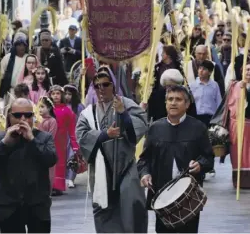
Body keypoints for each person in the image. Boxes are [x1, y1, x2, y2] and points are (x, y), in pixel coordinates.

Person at [76, 71, 148, 233]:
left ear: (113, 86)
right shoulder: (88, 113)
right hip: (101, 169)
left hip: (125, 166)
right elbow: (81, 136)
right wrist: (104, 135)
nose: (101, 89)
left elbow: (141, 124)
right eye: (97, 86)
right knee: (104, 209)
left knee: (132, 204)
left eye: (105, 84)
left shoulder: (127, 103)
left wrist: (123, 114)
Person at [137, 85, 214, 233]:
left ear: (187, 104)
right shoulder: (155, 128)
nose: (173, 103)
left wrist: (200, 165)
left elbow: (208, 158)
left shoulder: (198, 128)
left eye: (178, 99)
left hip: (189, 197)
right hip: (162, 196)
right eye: (170, 99)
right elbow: (144, 159)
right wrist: (145, 174)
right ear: (165, 103)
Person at [0, 98, 57, 233]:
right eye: (18, 115)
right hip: (9, 207)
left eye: (28, 115)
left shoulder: (43, 137)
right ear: (10, 117)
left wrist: (32, 140)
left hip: (37, 206)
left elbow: (51, 159)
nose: (23, 119)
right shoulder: (0, 138)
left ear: (33, 117)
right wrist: (5, 142)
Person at [49, 85, 79, 195]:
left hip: (61, 142)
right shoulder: (47, 109)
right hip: (49, 140)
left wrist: (75, 144)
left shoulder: (67, 110)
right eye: (53, 94)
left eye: (58, 94)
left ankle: (58, 186)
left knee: (60, 163)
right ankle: (50, 185)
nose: (56, 96)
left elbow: (72, 129)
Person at [224, 63, 250, 188]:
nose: (249, 72)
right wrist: (242, 91)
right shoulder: (236, 86)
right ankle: (241, 181)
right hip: (239, 125)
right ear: (241, 71)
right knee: (239, 154)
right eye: (247, 69)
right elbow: (232, 105)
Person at [0, 32, 28, 99]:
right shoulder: (8, 58)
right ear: (15, 46)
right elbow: (0, 75)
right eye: (19, 45)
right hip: (11, 92)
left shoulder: (29, 58)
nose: (22, 47)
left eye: (23, 45)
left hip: (26, 92)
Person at [190, 61, 222, 128]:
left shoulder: (214, 85)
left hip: (210, 118)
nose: (201, 71)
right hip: (196, 117)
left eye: (204, 69)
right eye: (200, 68)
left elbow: (219, 102)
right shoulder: (192, 85)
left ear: (210, 72)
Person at [64, 84, 84, 188]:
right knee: (64, 156)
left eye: (69, 94)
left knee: (73, 156)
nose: (67, 96)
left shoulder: (79, 107)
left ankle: (71, 178)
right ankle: (64, 177)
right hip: (64, 135)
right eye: (65, 94)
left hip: (74, 135)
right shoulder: (62, 106)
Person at [38, 96, 58, 192]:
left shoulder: (52, 121)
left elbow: (51, 137)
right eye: (39, 107)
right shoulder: (38, 120)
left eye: (42, 107)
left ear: (49, 108)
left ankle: (47, 194)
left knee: (48, 175)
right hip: (37, 151)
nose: (40, 109)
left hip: (47, 151)